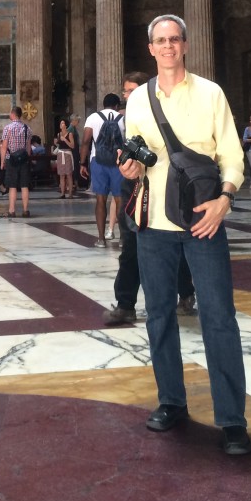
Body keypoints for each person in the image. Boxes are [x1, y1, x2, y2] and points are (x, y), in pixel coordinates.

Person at [119, 14, 251, 456]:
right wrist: (130, 167)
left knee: (219, 318)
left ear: (185, 45)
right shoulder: (137, 101)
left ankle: (232, 420)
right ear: (151, 49)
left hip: (203, 221)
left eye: (175, 39)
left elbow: (233, 157)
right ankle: (172, 401)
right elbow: (134, 158)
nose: (169, 46)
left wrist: (225, 199)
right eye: (161, 41)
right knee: (158, 315)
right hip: (154, 225)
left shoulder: (211, 94)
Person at [104, 71, 148, 326]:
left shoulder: (158, 114)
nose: (124, 95)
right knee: (130, 245)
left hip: (158, 184)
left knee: (170, 244)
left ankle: (185, 293)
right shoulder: (123, 119)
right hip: (130, 183)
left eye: (129, 91)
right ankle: (125, 304)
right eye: (125, 91)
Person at [79, 93, 124, 246]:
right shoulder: (123, 118)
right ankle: (123, 238)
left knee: (100, 199)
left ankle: (101, 239)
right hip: (119, 162)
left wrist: (82, 163)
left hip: (98, 161)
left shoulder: (93, 117)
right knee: (119, 199)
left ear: (103, 105)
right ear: (117, 106)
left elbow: (85, 141)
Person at [0, 106, 31, 217]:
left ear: (13, 114)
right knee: (24, 185)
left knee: (12, 186)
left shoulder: (7, 128)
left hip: (11, 159)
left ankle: (12, 210)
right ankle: (25, 210)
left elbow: (4, 146)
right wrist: (27, 158)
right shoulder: (27, 128)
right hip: (23, 159)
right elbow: (28, 147)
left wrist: (2, 161)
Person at [54, 118, 75, 199]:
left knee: (69, 174)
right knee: (61, 175)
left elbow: (72, 146)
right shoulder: (59, 134)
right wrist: (56, 143)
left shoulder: (70, 134)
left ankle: (70, 193)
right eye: (60, 123)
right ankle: (62, 193)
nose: (61, 124)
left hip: (67, 154)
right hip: (60, 154)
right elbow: (59, 145)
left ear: (65, 125)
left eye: (62, 123)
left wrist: (65, 140)